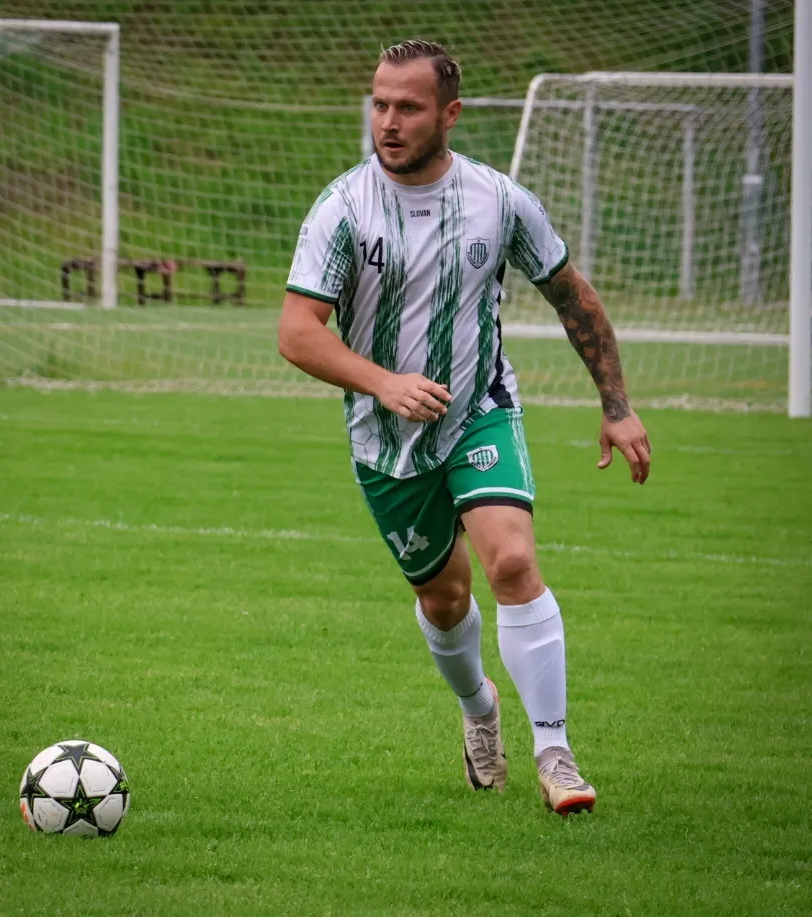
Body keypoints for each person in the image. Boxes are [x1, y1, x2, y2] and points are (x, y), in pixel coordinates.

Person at [278, 39, 651, 815]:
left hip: (480, 406)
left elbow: (571, 295)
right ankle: (479, 708)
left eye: (407, 107)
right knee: (445, 601)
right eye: (379, 104)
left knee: (510, 561)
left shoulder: (498, 199)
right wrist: (384, 383)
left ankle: (554, 753)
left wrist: (616, 406)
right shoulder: (341, 207)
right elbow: (297, 331)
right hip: (385, 441)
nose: (388, 121)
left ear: (449, 114)